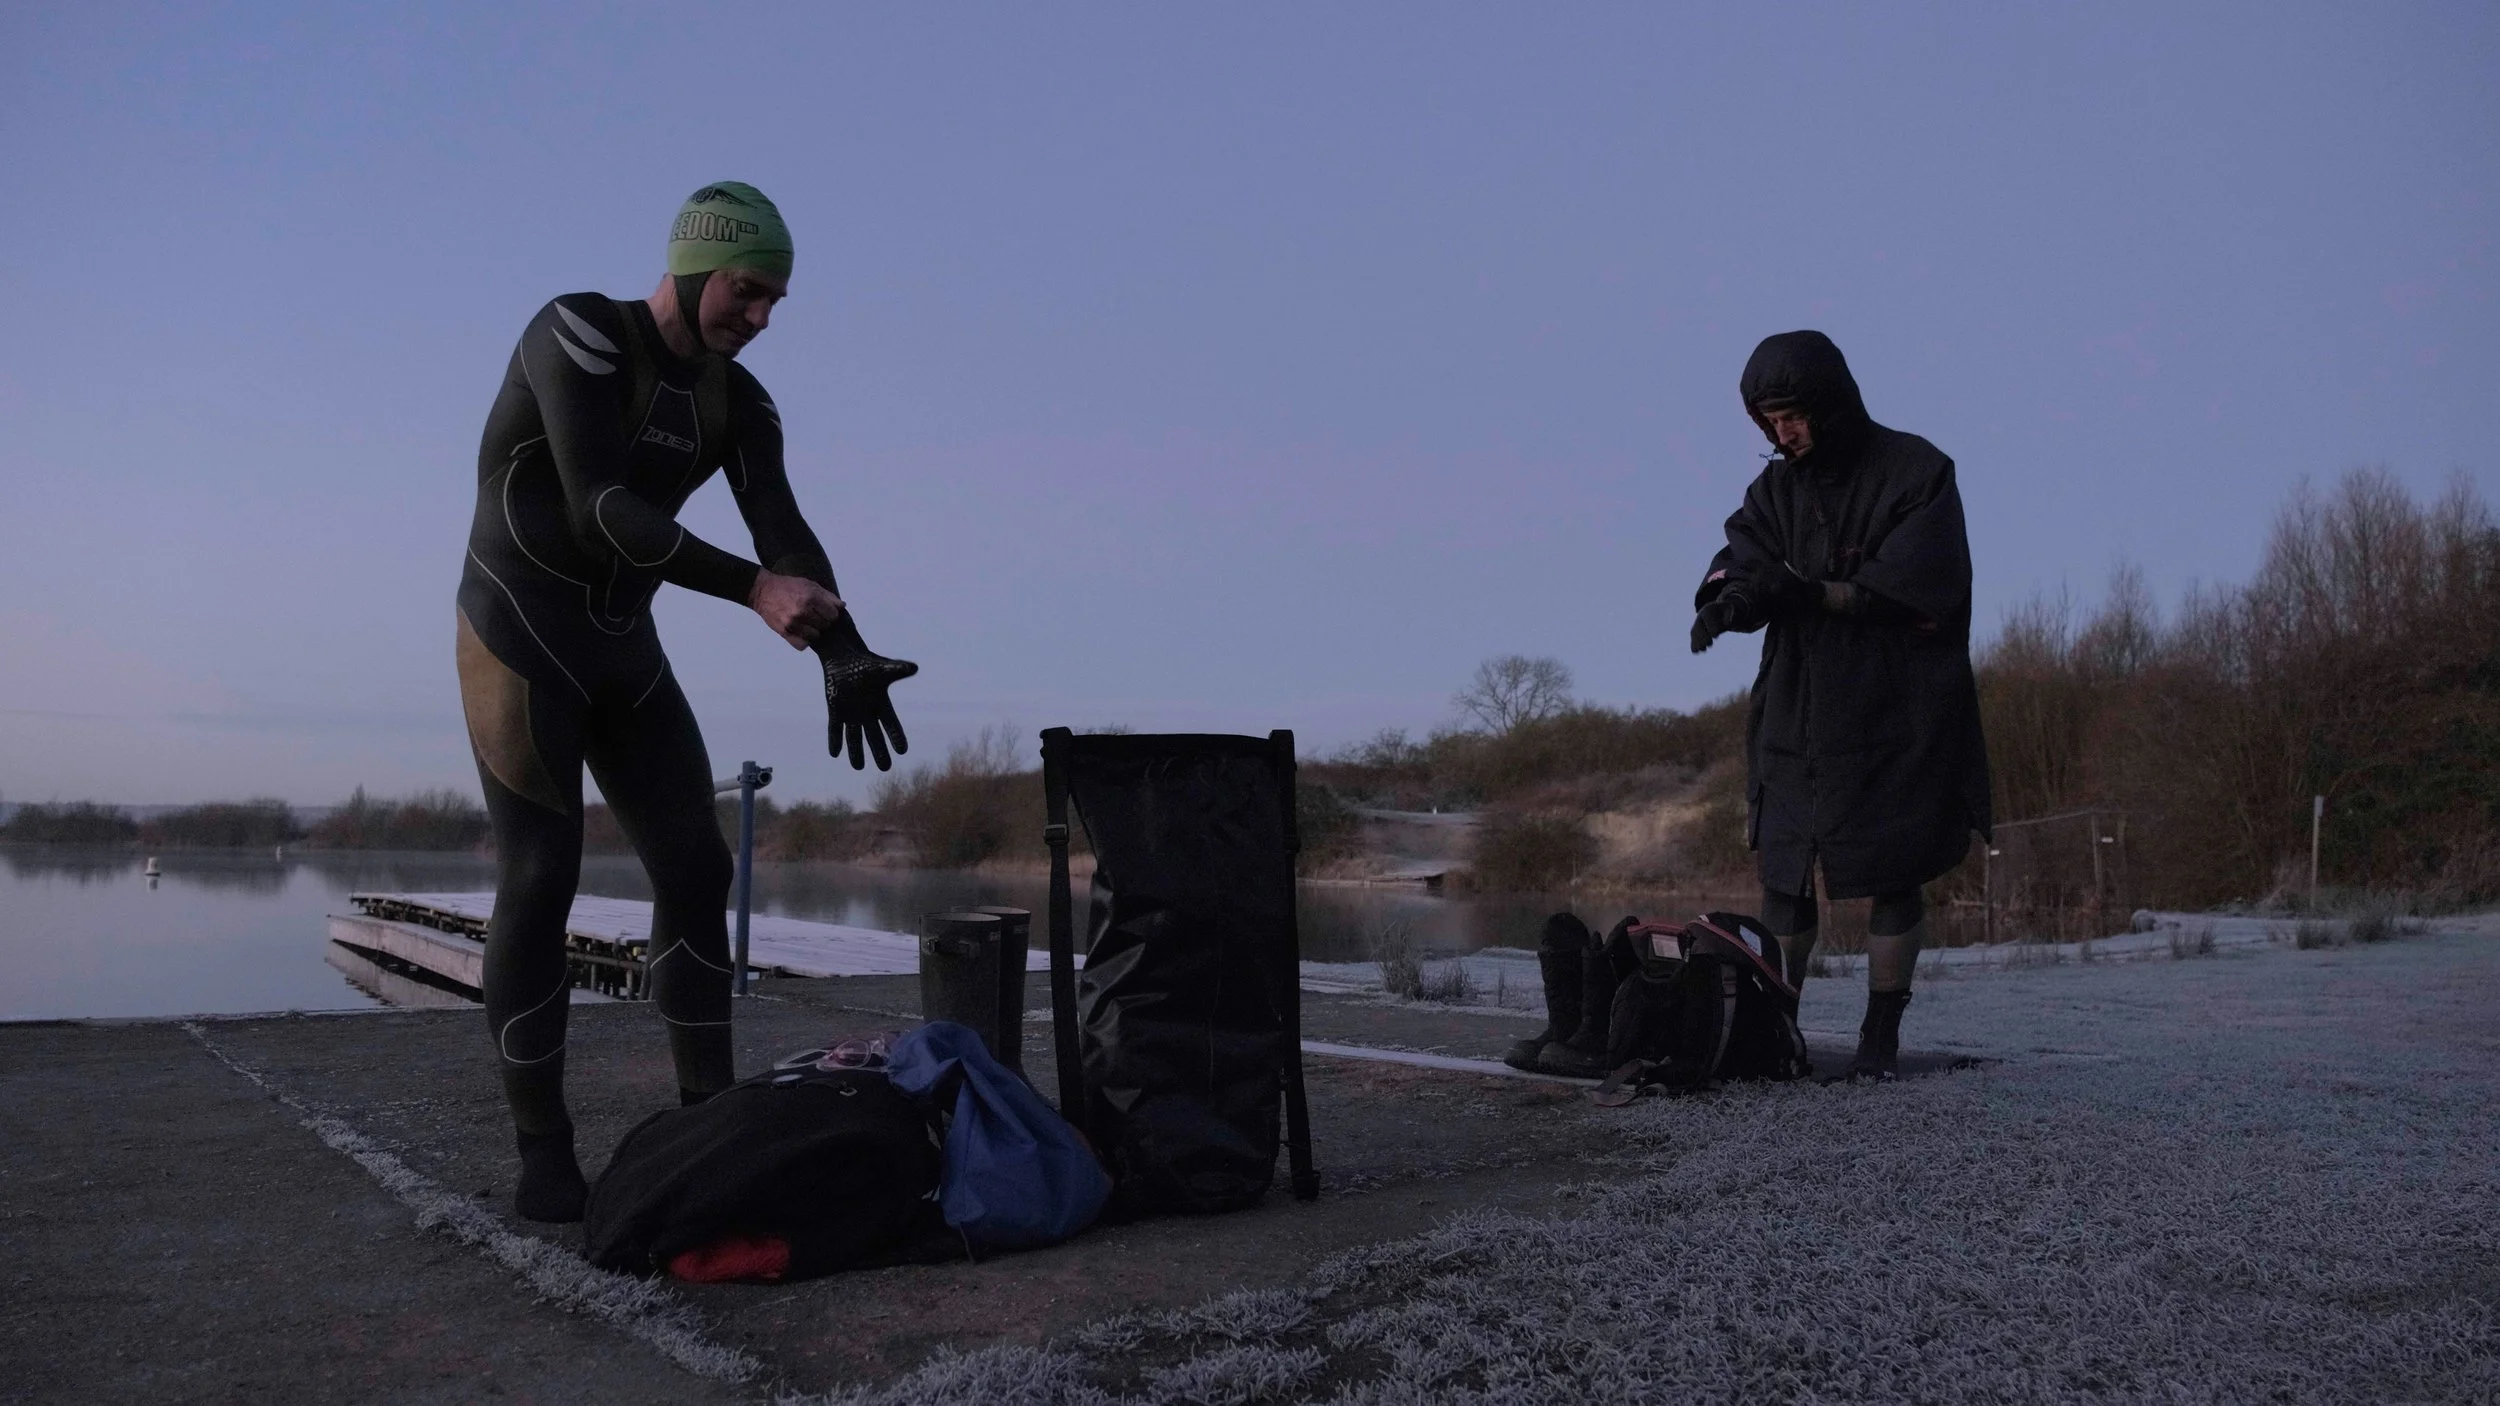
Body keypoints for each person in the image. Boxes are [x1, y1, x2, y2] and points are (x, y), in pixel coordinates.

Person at [455, 182, 916, 1221]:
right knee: (543, 869)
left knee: (698, 863)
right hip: (518, 630)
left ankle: (708, 1120)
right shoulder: (577, 331)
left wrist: (842, 648)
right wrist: (755, 589)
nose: (757, 319)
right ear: (695, 266)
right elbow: (600, 505)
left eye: (773, 305)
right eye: (746, 292)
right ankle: (544, 1147)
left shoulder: (738, 400)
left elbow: (781, 526)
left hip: (623, 638)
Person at [1689, 330, 1991, 1080]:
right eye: (1768, 422)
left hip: (1896, 706)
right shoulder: (1776, 490)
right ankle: (1777, 1029)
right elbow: (1743, 552)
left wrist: (1816, 592)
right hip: (1797, 707)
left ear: (1828, 404)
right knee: (1785, 874)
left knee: (1895, 867)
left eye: (1791, 416)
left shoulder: (1916, 470)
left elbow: (1926, 585)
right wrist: (1726, 600)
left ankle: (1880, 1036)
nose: (1781, 434)